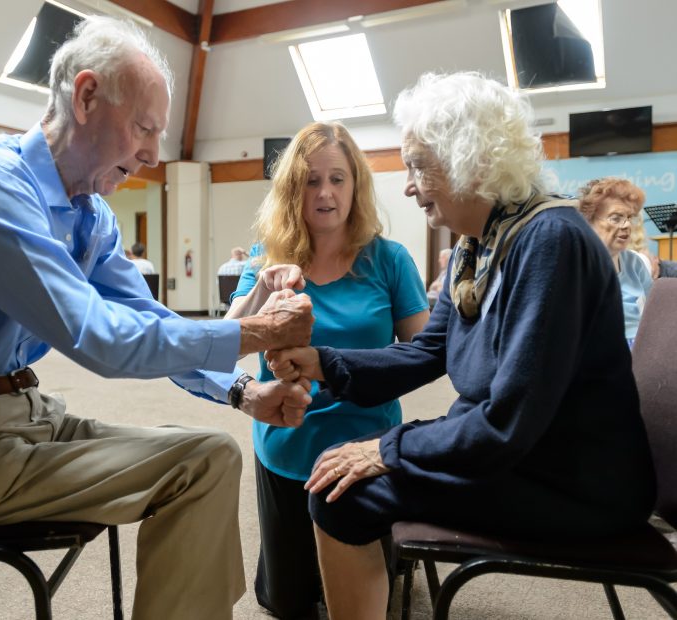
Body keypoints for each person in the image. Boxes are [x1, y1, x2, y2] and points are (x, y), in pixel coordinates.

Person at [0, 16, 315, 620]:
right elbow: (100, 340)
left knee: (211, 457)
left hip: (28, 420)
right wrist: (255, 333)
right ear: (85, 97)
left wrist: (242, 392)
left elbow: (148, 319)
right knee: (201, 463)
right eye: (144, 128)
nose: (153, 155)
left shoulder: (90, 215)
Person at [266, 72, 656, 620]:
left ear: (468, 158)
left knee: (342, 493)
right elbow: (426, 352)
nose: (408, 185)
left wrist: (388, 447)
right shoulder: (479, 246)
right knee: (344, 472)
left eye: (417, 165)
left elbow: (506, 423)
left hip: (572, 482)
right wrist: (322, 364)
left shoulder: (550, 241)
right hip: (525, 457)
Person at [225, 121, 430, 619]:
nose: (325, 192)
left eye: (337, 179)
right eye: (310, 180)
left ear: (356, 185)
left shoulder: (390, 260)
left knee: (370, 599)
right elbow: (218, 347)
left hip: (364, 447)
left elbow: (425, 354)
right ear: (293, 189)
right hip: (287, 446)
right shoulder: (266, 259)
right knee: (287, 602)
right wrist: (262, 291)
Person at [579, 177, 653, 346]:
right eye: (616, 218)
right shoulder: (579, 265)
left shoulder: (635, 263)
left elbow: (654, 313)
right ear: (589, 221)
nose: (626, 225)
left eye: (629, 217)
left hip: (642, 346)